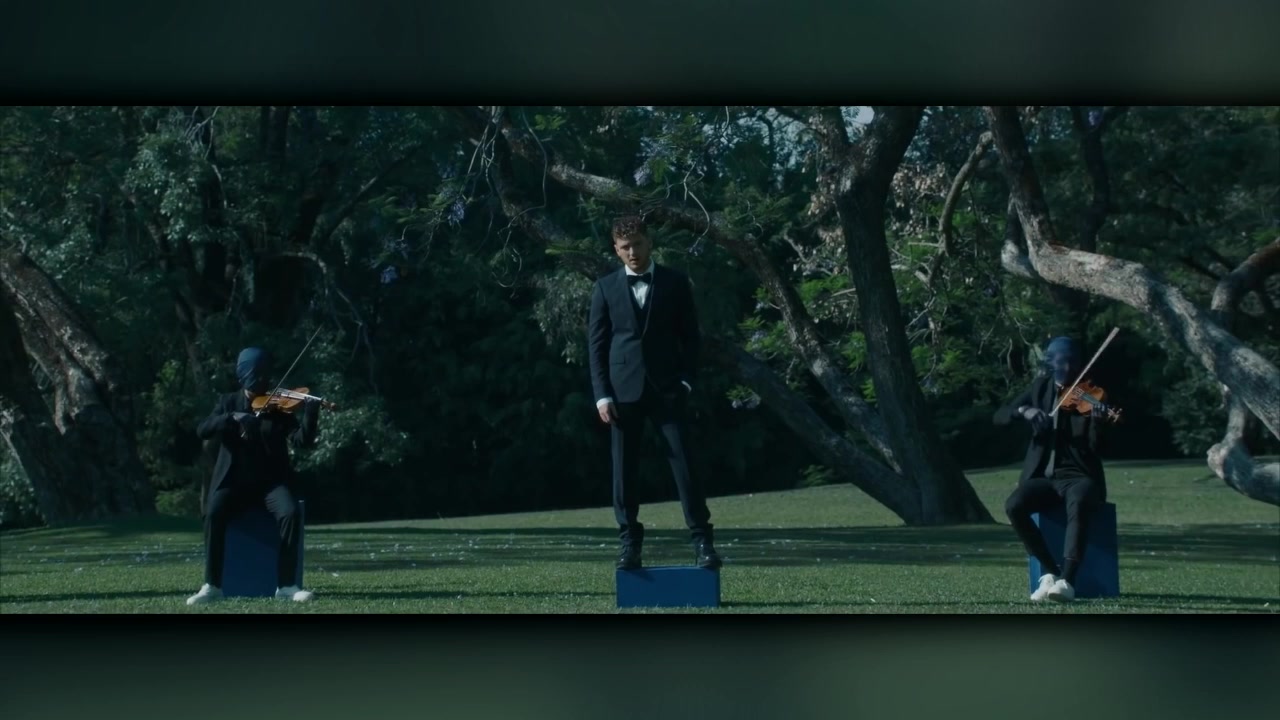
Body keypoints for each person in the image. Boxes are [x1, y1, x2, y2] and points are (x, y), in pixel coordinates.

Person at [588, 216, 721, 571]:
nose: (633, 252)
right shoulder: (604, 288)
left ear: (650, 243)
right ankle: (629, 544)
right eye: (625, 247)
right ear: (616, 250)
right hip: (621, 395)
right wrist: (602, 395)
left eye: (638, 244)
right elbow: (596, 347)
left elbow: (690, 338)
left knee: (685, 465)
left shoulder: (675, 282)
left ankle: (703, 542)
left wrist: (686, 381)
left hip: (668, 390)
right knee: (624, 471)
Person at [186, 347, 320, 605]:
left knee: (290, 512)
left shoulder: (279, 407)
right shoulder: (228, 402)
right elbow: (203, 429)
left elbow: (301, 441)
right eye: (258, 376)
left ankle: (287, 586)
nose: (264, 382)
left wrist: (310, 414)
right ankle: (212, 586)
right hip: (234, 482)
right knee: (213, 513)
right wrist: (232, 418)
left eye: (266, 376)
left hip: (270, 483)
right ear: (245, 376)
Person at [993, 336, 1112, 603]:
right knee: (1014, 506)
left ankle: (1067, 580)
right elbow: (1000, 415)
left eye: (1073, 362)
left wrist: (1098, 422)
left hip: (1079, 475)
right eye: (1062, 361)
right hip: (1043, 478)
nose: (1067, 368)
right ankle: (1049, 571)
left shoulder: (1091, 395)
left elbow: (1099, 448)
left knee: (1079, 501)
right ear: (1051, 363)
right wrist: (1024, 411)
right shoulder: (1040, 388)